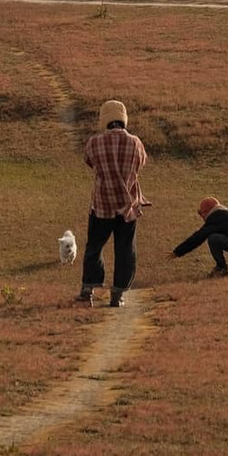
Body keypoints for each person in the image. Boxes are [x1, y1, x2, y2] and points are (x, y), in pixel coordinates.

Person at [78, 100, 148, 309]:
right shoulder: (136, 142)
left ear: (104, 120)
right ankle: (118, 295)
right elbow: (141, 164)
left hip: (102, 204)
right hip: (128, 205)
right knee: (125, 249)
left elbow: (90, 162)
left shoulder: (94, 142)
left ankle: (88, 290)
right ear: (123, 119)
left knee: (94, 247)